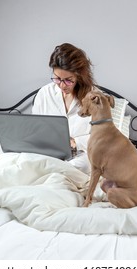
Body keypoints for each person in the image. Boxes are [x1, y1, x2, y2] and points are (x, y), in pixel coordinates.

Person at [32, 43, 96, 174]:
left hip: (80, 154)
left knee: (82, 165)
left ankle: (48, 171)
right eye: (57, 78)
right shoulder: (44, 93)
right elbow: (35, 127)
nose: (62, 85)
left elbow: (103, 136)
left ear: (79, 76)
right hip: (48, 151)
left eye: (68, 80)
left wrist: (75, 142)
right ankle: (48, 169)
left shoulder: (94, 97)